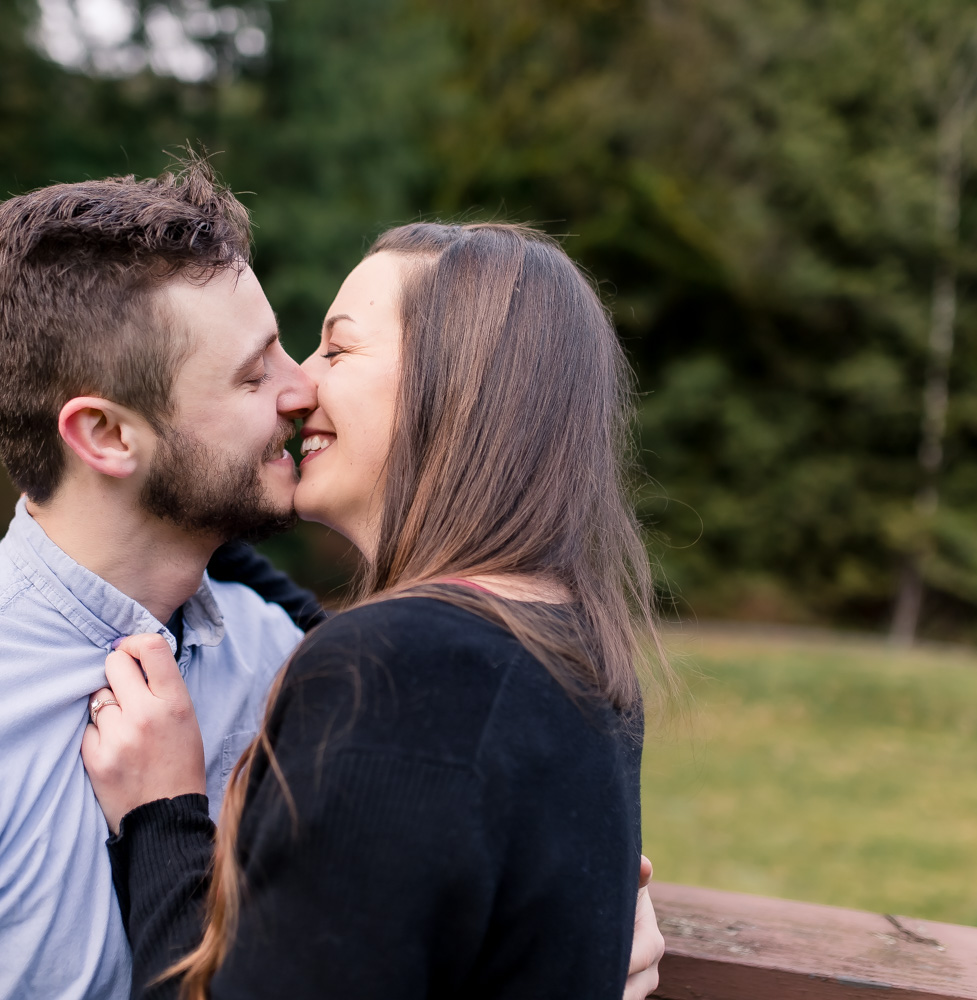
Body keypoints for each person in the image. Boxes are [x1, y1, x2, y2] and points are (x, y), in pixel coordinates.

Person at [0, 160, 664, 999]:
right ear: (107, 435)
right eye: (255, 372)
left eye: (303, 350)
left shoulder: (294, 660)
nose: (299, 386)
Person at [83, 222, 664, 999]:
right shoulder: (559, 649)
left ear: (459, 383)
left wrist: (161, 814)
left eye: (337, 349)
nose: (299, 386)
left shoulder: (396, 672)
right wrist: (179, 499)